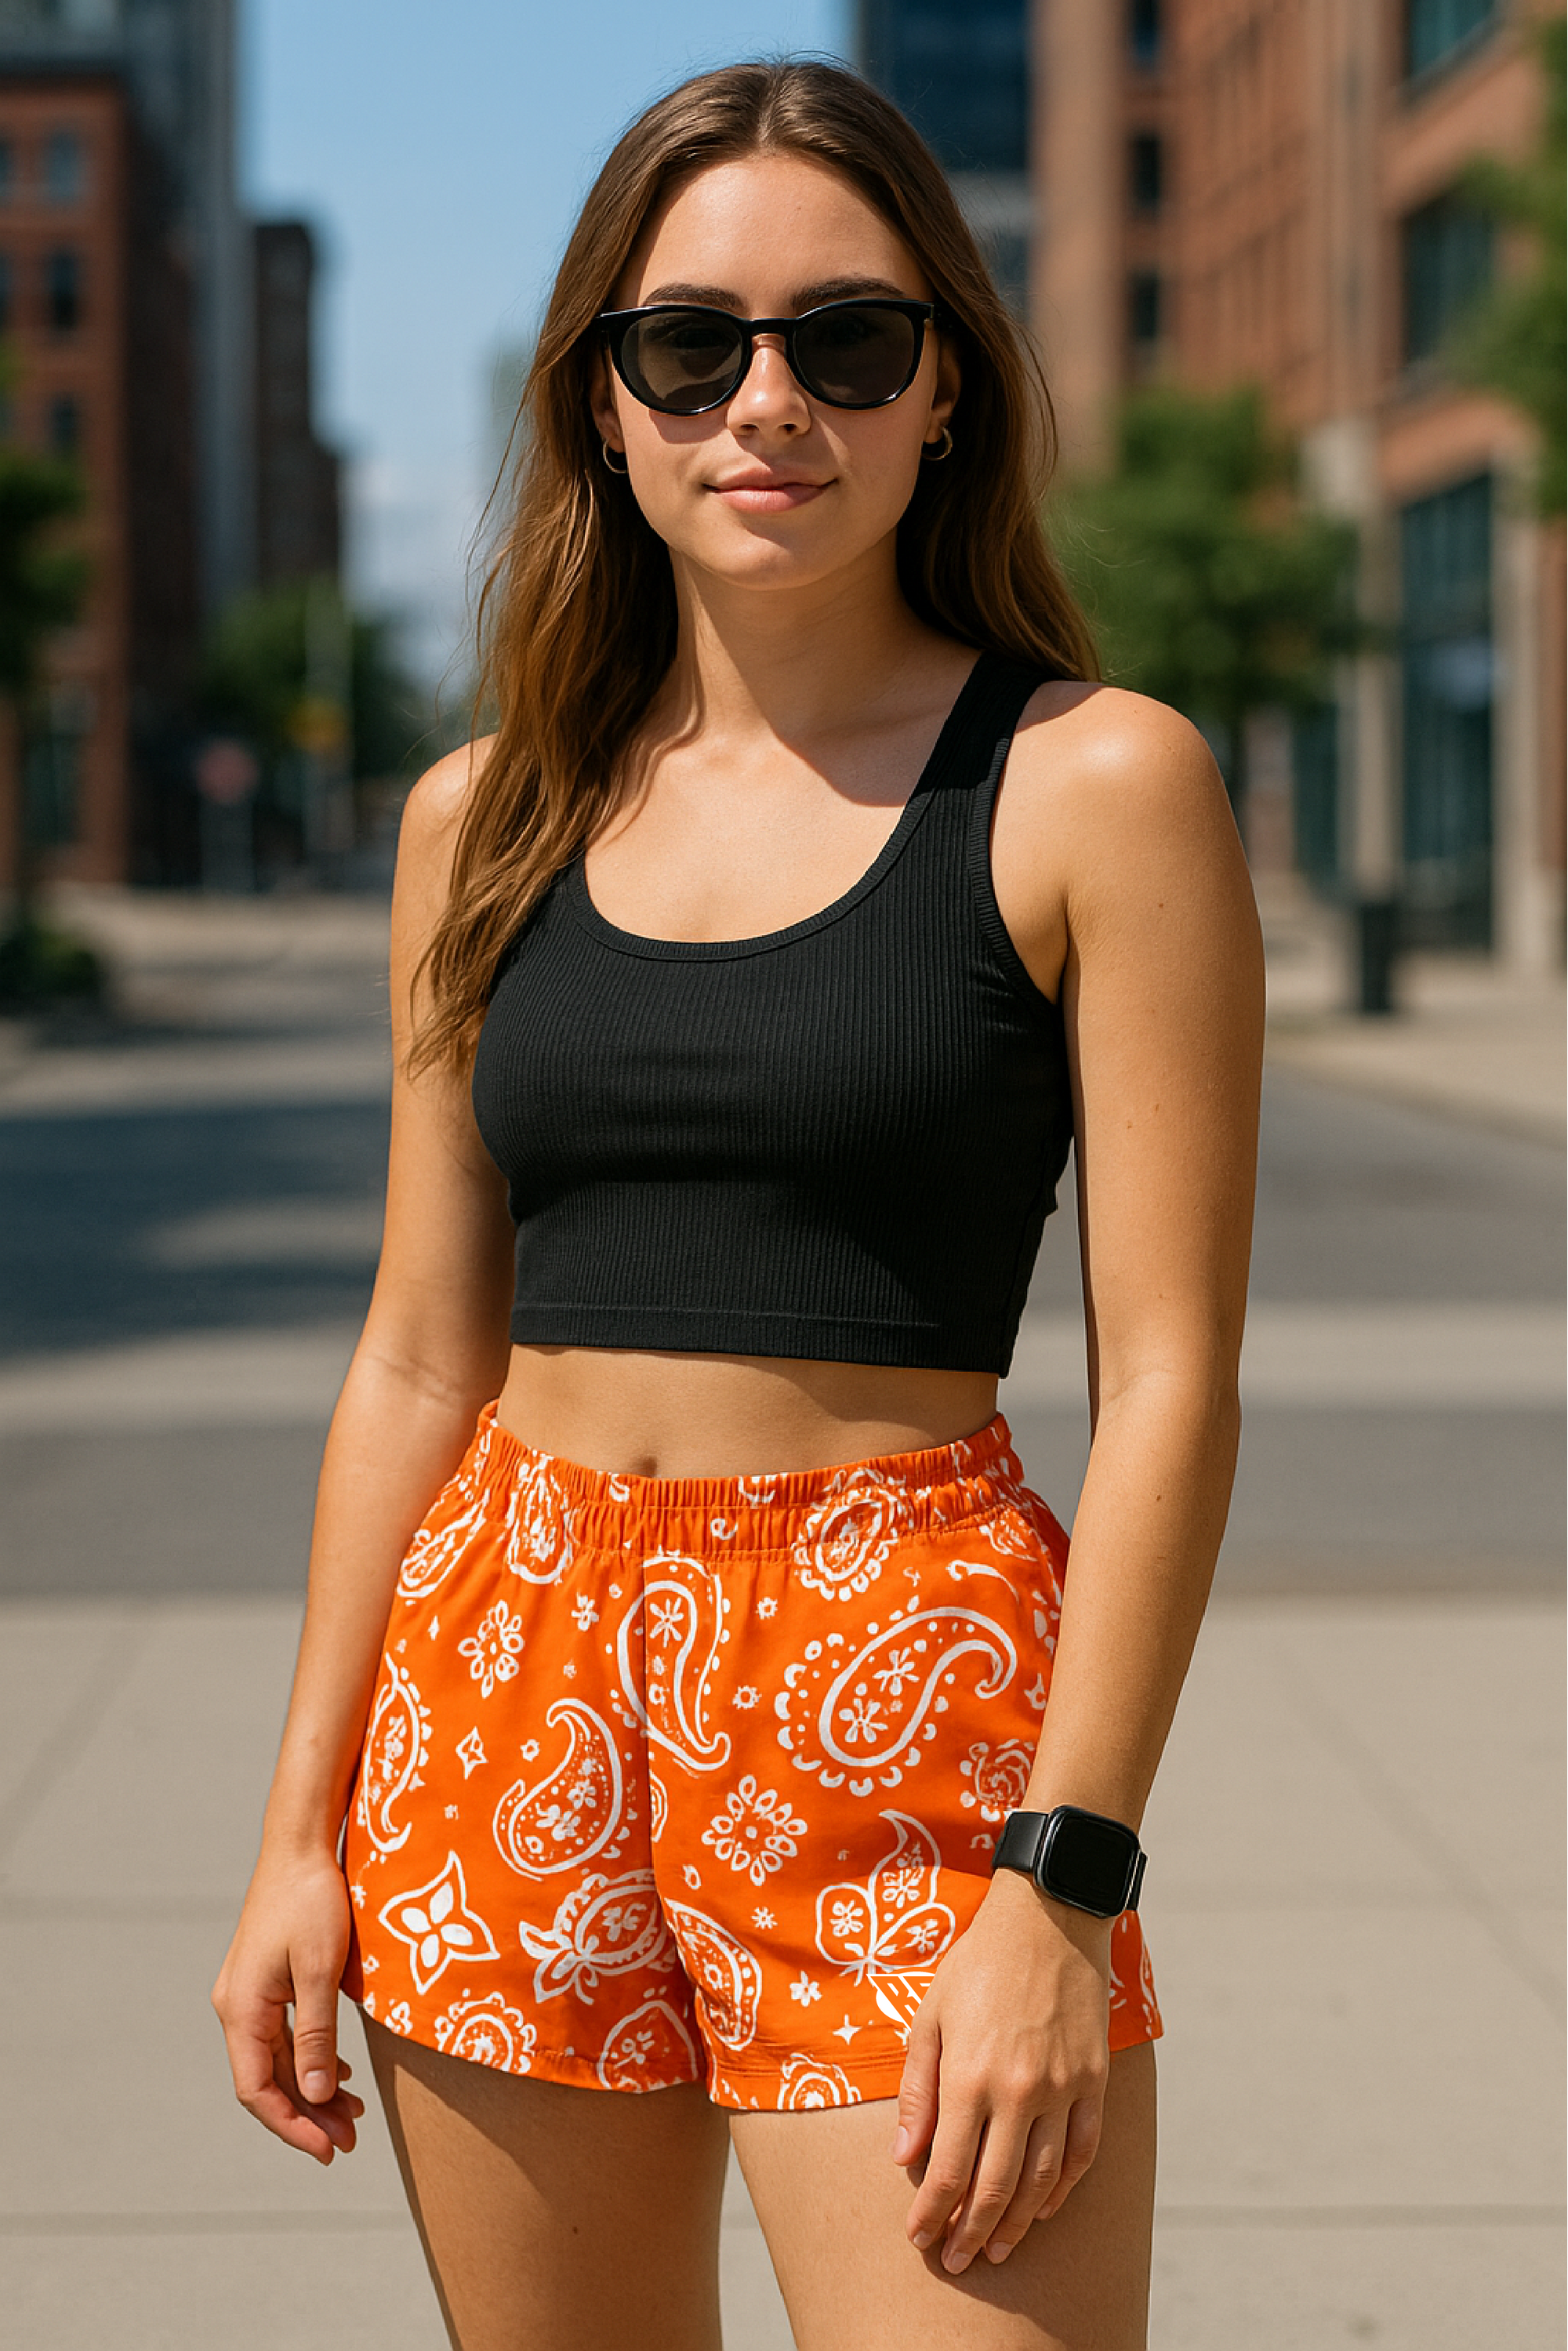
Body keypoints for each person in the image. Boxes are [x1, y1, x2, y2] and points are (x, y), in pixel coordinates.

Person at [212, 58, 1262, 2351]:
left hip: (910, 1696)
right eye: (689, 344)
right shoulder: (478, 818)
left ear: (946, 391)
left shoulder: (1096, 784)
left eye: (846, 340)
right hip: (500, 1676)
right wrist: (297, 1829)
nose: (764, 400)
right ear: (601, 403)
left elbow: (1172, 1377)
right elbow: (415, 1352)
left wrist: (1062, 1887)